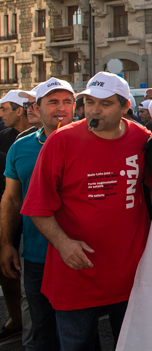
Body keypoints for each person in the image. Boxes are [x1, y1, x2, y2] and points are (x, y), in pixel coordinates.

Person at [21, 72, 152, 350]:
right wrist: (63, 244)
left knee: (132, 343)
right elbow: (37, 206)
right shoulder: (61, 141)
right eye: (89, 101)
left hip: (131, 273)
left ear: (125, 107)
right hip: (76, 273)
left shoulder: (141, 138)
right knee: (77, 345)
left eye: (105, 104)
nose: (94, 110)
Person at [1, 78, 75, 351]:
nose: (61, 108)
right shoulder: (20, 148)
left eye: (68, 102)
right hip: (36, 256)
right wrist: (6, 243)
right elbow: (10, 199)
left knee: (81, 333)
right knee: (42, 330)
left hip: (81, 254)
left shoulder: (92, 142)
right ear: (36, 107)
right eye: (53, 102)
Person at [0, 90, 31, 342]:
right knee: (8, 275)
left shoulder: (43, 139)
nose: (0, 115)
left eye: (4, 109)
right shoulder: (5, 139)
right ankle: (17, 320)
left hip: (34, 223)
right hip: (12, 218)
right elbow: (9, 196)